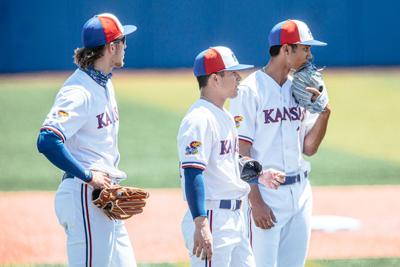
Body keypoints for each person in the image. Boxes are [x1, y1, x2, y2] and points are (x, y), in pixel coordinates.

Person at [37, 13, 138, 267]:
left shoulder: (104, 84)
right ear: (111, 47)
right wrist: (88, 175)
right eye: (123, 40)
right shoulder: (78, 91)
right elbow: (47, 140)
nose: (126, 46)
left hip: (104, 198)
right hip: (84, 195)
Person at [230, 19, 331, 267]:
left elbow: (309, 147)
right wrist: (256, 202)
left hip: (300, 192)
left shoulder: (302, 87)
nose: (310, 54)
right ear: (286, 49)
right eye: (304, 48)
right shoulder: (250, 90)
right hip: (266, 192)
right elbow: (242, 152)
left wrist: (325, 113)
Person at [177, 46, 285, 267]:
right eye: (232, 73)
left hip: (235, 218)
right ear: (215, 79)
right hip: (213, 216)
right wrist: (201, 222)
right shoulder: (199, 119)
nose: (239, 77)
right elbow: (192, 173)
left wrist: (260, 174)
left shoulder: (224, 115)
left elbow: (228, 162)